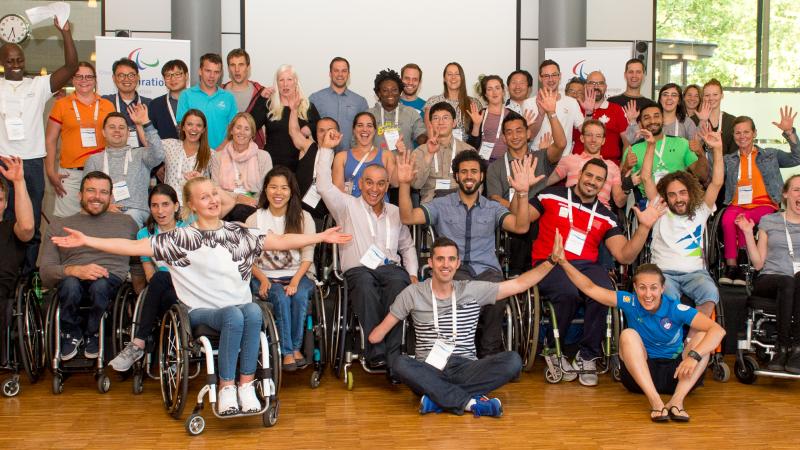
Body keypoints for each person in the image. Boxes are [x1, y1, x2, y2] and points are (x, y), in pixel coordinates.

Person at [50, 175, 350, 415]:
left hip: (239, 311)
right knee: (237, 312)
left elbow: (283, 240)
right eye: (204, 196)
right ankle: (226, 386)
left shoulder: (239, 233)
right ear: (191, 205)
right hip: (200, 314)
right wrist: (87, 239)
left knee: (254, 310)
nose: (212, 200)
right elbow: (130, 248)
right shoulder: (178, 239)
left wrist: (321, 236)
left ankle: (247, 384)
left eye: (214, 194)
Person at [369, 235, 563, 417]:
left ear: (458, 263)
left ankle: (438, 398)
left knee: (513, 361)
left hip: (465, 367)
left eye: (451, 259)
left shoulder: (471, 289)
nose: (446, 264)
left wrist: (551, 261)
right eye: (440, 259)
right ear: (430, 263)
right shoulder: (412, 293)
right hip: (428, 368)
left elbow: (519, 284)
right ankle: (471, 403)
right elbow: (377, 335)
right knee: (400, 363)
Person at [528, 159, 666, 386]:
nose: (592, 182)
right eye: (589, 175)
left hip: (586, 265)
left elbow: (624, 255)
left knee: (604, 291)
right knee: (569, 291)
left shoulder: (606, 215)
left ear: (604, 184)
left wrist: (644, 228)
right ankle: (553, 348)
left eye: (599, 179)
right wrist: (524, 193)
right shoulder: (550, 195)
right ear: (580, 174)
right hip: (550, 261)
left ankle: (588, 355)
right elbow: (521, 223)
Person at [398, 148, 538, 357]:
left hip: (487, 270)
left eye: (474, 171)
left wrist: (522, 193)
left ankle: (489, 356)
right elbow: (408, 217)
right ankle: (457, 356)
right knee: (456, 292)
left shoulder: (493, 208)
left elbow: (520, 227)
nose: (469, 176)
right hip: (455, 271)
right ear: (456, 176)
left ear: (481, 176)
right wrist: (404, 184)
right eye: (464, 172)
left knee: (499, 293)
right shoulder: (441, 205)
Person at [559, 260, 725, 422]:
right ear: (635, 288)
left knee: (703, 336)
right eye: (642, 288)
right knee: (628, 334)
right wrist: (564, 262)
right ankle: (656, 402)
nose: (647, 294)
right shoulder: (629, 301)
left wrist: (693, 357)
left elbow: (718, 331)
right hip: (641, 376)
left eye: (653, 288)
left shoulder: (675, 308)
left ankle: (677, 401)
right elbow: (590, 288)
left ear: (662, 289)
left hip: (678, 375)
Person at [315, 128, 417, 373]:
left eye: (381, 183)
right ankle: (376, 351)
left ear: (386, 187)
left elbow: (407, 246)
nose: (374, 188)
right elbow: (323, 185)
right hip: (359, 270)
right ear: (360, 184)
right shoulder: (346, 206)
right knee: (364, 286)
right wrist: (327, 149)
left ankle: (394, 362)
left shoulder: (395, 212)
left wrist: (412, 273)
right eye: (369, 182)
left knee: (398, 285)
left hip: (390, 269)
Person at [0, 18, 77, 273]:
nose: (15, 65)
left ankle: (27, 276)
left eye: (19, 60)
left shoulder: (38, 85)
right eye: (10, 61)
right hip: (2, 159)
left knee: (30, 224)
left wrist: (65, 32)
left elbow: (71, 66)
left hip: (31, 161)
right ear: (2, 62)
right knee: (4, 221)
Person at [40, 171, 139, 361]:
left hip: (109, 281)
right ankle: (70, 331)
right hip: (70, 281)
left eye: (103, 192)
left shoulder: (126, 223)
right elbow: (45, 272)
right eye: (91, 190)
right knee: (70, 284)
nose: (97, 196)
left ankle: (93, 332)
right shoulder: (60, 225)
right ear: (80, 195)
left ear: (110, 197)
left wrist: (138, 297)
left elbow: (136, 264)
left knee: (100, 285)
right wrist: (74, 270)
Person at [641, 124, 724, 318]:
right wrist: (651, 146)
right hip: (664, 273)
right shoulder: (659, 208)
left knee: (710, 292)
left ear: (690, 193)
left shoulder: (701, 209)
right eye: (672, 195)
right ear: (665, 196)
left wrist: (717, 149)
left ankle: (693, 341)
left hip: (695, 274)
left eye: (682, 193)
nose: (678, 199)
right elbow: (646, 178)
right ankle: (674, 340)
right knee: (667, 296)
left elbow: (717, 182)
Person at [108, 184, 186, 371]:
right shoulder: (144, 234)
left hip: (189, 285)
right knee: (161, 283)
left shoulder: (188, 229)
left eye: (165, 204)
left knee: (161, 279)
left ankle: (139, 342)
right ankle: (169, 350)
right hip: (165, 291)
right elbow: (149, 274)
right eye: (155, 205)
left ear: (176, 206)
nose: (160, 211)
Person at [719, 109, 800, 285]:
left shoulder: (770, 154)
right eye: (738, 133)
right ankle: (731, 267)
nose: (742, 136)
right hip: (737, 203)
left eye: (746, 132)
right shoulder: (729, 159)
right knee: (727, 220)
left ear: (755, 133)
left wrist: (789, 132)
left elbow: (797, 157)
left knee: (743, 220)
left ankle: (742, 265)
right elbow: (711, 173)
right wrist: (711, 148)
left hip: (765, 204)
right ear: (733, 135)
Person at [247, 167, 316, 371]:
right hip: (264, 275)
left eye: (284, 188)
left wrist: (295, 281)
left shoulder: (304, 218)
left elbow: (307, 256)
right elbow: (247, 258)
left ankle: (293, 348)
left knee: (301, 294)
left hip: (298, 273)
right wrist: (263, 278)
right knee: (280, 295)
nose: (278, 193)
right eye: (273, 187)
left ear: (292, 191)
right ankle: (288, 352)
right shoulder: (255, 219)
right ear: (266, 190)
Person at [486, 107, 566, 277]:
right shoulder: (495, 167)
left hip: (543, 213)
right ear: (503, 138)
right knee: (521, 221)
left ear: (528, 133)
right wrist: (519, 210)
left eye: (519, 131)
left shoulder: (541, 157)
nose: (515, 136)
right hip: (511, 213)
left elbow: (560, 144)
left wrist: (552, 112)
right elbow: (494, 198)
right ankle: (517, 273)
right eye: (509, 132)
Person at [737, 175, 800, 373]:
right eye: (797, 189)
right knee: (788, 281)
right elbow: (758, 263)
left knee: (796, 280)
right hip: (770, 279)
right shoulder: (769, 221)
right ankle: (783, 348)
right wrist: (748, 233)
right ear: (786, 194)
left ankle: (797, 350)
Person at [45, 62, 115, 218]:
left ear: (95, 80)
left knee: (98, 221)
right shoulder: (61, 105)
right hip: (70, 174)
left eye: (89, 76)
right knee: (67, 221)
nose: (84, 80)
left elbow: (116, 139)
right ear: (73, 80)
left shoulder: (108, 105)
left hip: (100, 173)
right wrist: (50, 171)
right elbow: (50, 139)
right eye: (79, 76)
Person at [84, 108, 165, 227]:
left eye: (121, 128)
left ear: (128, 132)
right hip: (104, 211)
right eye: (112, 127)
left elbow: (159, 154)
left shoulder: (141, 154)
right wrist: (105, 207)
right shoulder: (94, 160)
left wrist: (146, 123)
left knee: (129, 217)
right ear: (103, 132)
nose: (117, 130)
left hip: (136, 212)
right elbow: (87, 194)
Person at [622, 103, 708, 202]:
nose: (652, 121)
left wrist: (701, 155)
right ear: (640, 123)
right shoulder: (633, 149)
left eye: (656, 116)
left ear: (663, 120)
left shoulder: (682, 143)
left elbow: (702, 177)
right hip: (649, 204)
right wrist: (626, 167)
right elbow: (623, 185)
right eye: (647, 118)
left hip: (680, 201)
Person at [251, 64, 320, 171]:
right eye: (281, 80)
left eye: (289, 79)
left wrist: (311, 128)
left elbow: (320, 132)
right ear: (277, 83)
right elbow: (251, 126)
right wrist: (261, 100)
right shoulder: (269, 105)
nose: (285, 84)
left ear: (296, 81)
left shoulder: (307, 106)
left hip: (300, 166)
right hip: (271, 165)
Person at [546, 120, 626, 210]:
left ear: (603, 141)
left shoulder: (612, 167)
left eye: (598, 136)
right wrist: (543, 156)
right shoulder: (570, 160)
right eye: (589, 135)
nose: (593, 140)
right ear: (582, 138)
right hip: (571, 208)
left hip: (600, 214)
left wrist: (628, 186)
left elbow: (619, 202)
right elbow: (545, 182)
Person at [210, 112, 273, 222]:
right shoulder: (218, 157)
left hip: (254, 207)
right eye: (238, 127)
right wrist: (237, 198)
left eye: (246, 129)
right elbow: (215, 189)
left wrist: (250, 200)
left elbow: (267, 189)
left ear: (252, 134)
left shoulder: (263, 157)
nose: (242, 132)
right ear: (231, 130)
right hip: (224, 206)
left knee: (240, 211)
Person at [410, 102, 475, 204]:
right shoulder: (420, 152)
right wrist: (429, 155)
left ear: (454, 123)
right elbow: (415, 184)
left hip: (461, 205)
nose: (440, 122)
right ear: (430, 124)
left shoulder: (468, 151)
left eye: (445, 118)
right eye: (436, 118)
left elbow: (477, 185)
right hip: (430, 206)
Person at [0, 156, 35, 339]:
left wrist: (19, 182)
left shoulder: (11, 228)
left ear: (6, 204)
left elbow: (28, 227)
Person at [286, 103, 338, 222]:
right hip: (298, 213)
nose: (326, 135)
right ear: (316, 133)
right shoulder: (308, 147)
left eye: (330, 131)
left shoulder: (341, 158)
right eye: (321, 131)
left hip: (323, 217)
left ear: (338, 134)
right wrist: (293, 110)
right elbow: (294, 131)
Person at [176, 53, 238, 149]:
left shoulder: (228, 97)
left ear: (220, 74)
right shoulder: (186, 95)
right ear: (200, 71)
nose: (212, 76)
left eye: (216, 72)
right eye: (208, 71)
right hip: (194, 154)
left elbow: (234, 129)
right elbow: (182, 127)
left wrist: (220, 150)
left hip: (221, 154)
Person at [309, 57, 368, 152]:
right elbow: (310, 128)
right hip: (323, 154)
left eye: (344, 71)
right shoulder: (315, 99)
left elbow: (365, 131)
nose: (340, 74)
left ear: (348, 74)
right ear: (330, 73)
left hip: (351, 156)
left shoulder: (360, 101)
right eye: (336, 70)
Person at [332, 112, 395, 198]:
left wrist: (401, 155)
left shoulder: (387, 155)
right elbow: (338, 192)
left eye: (369, 125)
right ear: (354, 130)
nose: (364, 129)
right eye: (360, 125)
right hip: (351, 209)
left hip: (378, 209)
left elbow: (396, 183)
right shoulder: (341, 157)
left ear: (375, 130)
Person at [528, 60, 585, 155]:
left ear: (560, 76)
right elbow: (529, 136)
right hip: (538, 157)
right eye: (546, 76)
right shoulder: (529, 103)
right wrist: (541, 115)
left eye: (554, 75)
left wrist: (589, 112)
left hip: (564, 161)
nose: (551, 79)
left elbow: (584, 130)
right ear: (540, 78)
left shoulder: (571, 102)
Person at [572, 71, 628, 166]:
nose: (596, 86)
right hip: (578, 166)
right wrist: (588, 113)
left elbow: (627, 142)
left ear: (606, 87)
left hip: (609, 167)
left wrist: (622, 167)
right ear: (585, 86)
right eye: (592, 83)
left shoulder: (616, 109)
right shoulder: (575, 107)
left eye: (600, 83)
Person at [368, 68, 426, 152]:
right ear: (379, 93)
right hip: (376, 164)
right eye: (385, 90)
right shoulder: (369, 114)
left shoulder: (411, 113)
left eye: (394, 90)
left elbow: (420, 135)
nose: (390, 94)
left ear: (400, 92)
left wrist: (427, 140)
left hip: (403, 163)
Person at [160, 109, 213, 201]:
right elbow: (150, 143)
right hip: (170, 207)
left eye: (199, 125)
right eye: (189, 124)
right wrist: (141, 124)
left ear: (204, 130)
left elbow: (215, 185)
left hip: (195, 208)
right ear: (183, 127)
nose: (194, 128)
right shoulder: (170, 145)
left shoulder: (211, 154)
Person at [423, 63, 481, 142]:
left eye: (457, 74)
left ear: (462, 78)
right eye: (449, 74)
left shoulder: (474, 103)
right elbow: (430, 131)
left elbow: (478, 134)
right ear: (444, 78)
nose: (453, 77)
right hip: (440, 150)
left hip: (466, 151)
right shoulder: (433, 101)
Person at [223, 49, 268, 148]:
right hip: (225, 152)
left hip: (255, 153)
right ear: (228, 68)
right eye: (233, 65)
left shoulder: (261, 93)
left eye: (241, 64)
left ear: (248, 67)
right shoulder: (220, 93)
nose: (237, 69)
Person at [623, 83, 698, 143]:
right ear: (660, 99)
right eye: (665, 94)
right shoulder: (650, 120)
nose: (669, 98)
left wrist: (703, 121)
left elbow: (696, 147)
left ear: (679, 101)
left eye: (674, 95)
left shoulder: (687, 123)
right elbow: (632, 140)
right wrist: (633, 121)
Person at [102, 58, 151, 147]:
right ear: (113, 78)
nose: (126, 79)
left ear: (138, 77)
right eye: (121, 75)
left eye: (131, 75)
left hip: (142, 158)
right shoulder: (105, 102)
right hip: (114, 157)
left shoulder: (149, 104)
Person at [466, 75, 514, 162]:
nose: (494, 92)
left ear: (503, 91)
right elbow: (471, 146)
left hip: (506, 164)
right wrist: (476, 126)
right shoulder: (479, 114)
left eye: (497, 88)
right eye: (489, 89)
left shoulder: (513, 116)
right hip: (482, 164)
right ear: (485, 94)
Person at [147, 59, 189, 140]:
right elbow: (151, 135)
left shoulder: (197, 101)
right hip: (165, 151)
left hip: (196, 151)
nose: (173, 79)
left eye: (177, 74)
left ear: (186, 76)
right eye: (168, 75)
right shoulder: (155, 104)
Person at [691, 79, 735, 155]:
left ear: (722, 95)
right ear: (703, 97)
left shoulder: (732, 121)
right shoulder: (693, 120)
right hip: (700, 165)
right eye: (707, 95)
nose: (711, 98)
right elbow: (690, 150)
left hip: (725, 165)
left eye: (715, 94)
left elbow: (734, 153)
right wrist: (702, 122)